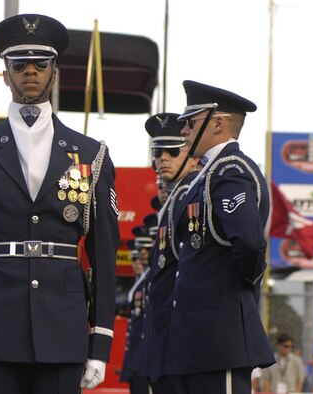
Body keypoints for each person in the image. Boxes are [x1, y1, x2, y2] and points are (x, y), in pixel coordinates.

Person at [0, 13, 120, 394]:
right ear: (4, 73)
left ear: (55, 70)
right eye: (19, 64)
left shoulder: (91, 153)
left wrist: (101, 340)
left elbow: (103, 254)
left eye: (41, 63)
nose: (30, 71)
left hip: (64, 325)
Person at [163, 80, 275, 393]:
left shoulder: (230, 170)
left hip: (220, 335)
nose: (183, 130)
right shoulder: (209, 174)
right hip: (200, 337)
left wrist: (235, 297)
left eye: (190, 122)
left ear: (217, 122)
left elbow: (250, 245)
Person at [134, 113, 200, 394]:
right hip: (165, 340)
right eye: (157, 152)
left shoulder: (195, 198)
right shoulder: (175, 200)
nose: (163, 158)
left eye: (173, 151)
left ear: (194, 155)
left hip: (183, 339)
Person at [119, 225, 152, 394]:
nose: (142, 255)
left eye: (147, 249)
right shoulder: (141, 281)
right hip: (137, 355)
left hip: (146, 356)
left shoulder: (151, 279)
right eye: (140, 251)